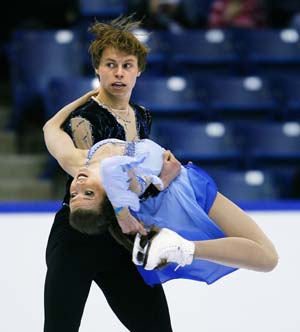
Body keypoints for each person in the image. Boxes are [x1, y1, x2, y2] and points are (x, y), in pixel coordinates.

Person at [43, 87, 279, 288]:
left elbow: (51, 128)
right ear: (108, 197)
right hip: (183, 193)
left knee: (267, 259)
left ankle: (184, 248)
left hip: (173, 188)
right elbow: (117, 173)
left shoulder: (75, 163)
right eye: (89, 194)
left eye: (74, 193)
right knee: (267, 257)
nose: (80, 184)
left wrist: (87, 96)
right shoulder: (122, 182)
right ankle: (185, 248)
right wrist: (123, 212)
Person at [43, 15, 178, 332]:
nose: (118, 73)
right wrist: (159, 181)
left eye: (127, 65)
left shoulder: (143, 116)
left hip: (121, 237)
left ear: (139, 70)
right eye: (110, 64)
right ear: (97, 69)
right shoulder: (85, 117)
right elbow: (100, 176)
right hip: (79, 232)